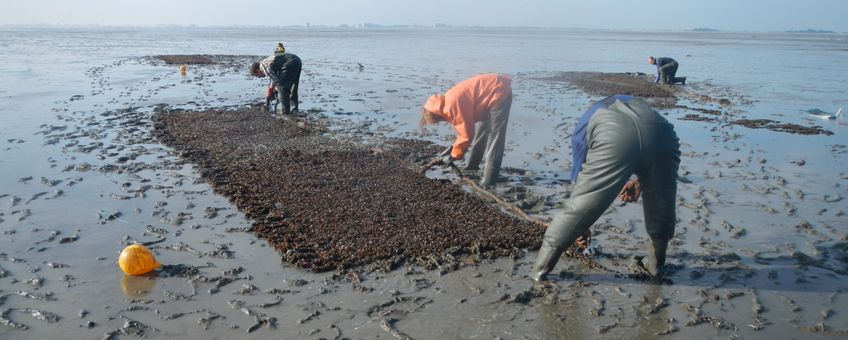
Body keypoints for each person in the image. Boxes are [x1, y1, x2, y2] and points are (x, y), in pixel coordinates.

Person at [530, 95, 680, 282]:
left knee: (577, 210)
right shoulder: (635, 103)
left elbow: (580, 184)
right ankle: (656, 266)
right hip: (663, 134)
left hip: (615, 134)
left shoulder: (587, 119)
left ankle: (539, 271)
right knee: (662, 205)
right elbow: (645, 139)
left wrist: (581, 225)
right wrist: (641, 181)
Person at [420, 74, 513, 188]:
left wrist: (452, 156)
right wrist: (451, 149)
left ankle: (489, 181)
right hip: (492, 90)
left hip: (498, 91)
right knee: (482, 131)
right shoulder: (447, 102)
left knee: (495, 136)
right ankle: (472, 166)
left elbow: (466, 135)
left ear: (436, 114)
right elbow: (462, 131)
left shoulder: (452, 106)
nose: (440, 122)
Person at [250, 47, 302, 115]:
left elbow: (276, 80)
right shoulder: (267, 62)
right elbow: (276, 77)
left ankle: (285, 112)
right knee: (293, 87)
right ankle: (294, 109)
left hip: (289, 63)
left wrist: (271, 90)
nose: (259, 77)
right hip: (297, 60)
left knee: (282, 88)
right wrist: (272, 89)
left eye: (257, 75)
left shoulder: (263, 66)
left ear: (257, 69)